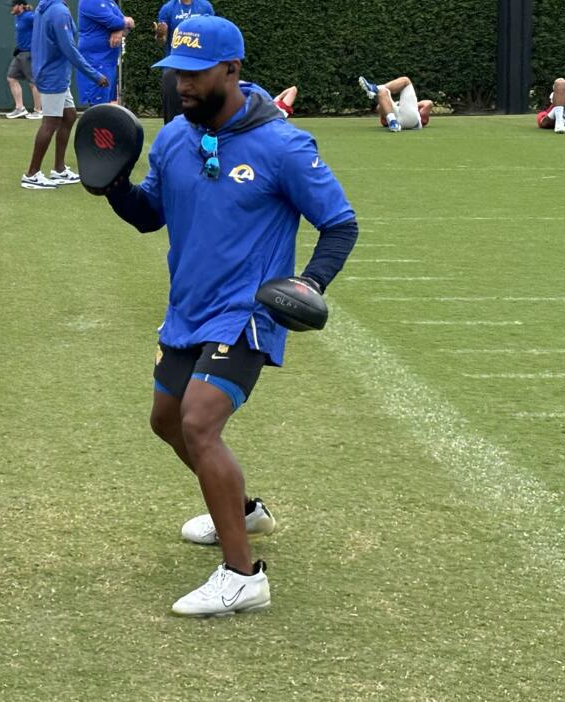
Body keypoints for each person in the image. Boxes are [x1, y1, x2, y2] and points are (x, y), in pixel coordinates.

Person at [90, 16, 358, 617]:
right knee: (165, 420)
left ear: (231, 70)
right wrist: (112, 188)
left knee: (199, 423)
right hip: (188, 306)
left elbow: (340, 224)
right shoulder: (173, 139)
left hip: (247, 311)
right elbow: (149, 215)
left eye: (195, 73)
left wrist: (307, 282)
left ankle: (243, 576)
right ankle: (241, 513)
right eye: (175, 73)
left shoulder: (283, 145)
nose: (180, 85)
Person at [19, 0, 106, 190]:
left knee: (69, 116)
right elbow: (70, 50)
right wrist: (95, 75)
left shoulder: (47, 8)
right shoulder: (58, 11)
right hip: (53, 76)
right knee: (50, 123)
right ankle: (31, 175)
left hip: (54, 73)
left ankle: (58, 169)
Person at [154, 0, 213, 124]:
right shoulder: (168, 8)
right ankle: (172, 138)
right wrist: (160, 35)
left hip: (199, 65)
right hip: (174, 66)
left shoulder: (205, 6)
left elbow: (212, 34)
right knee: (172, 114)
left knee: (203, 111)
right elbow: (161, 41)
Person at [77, 0, 132, 107]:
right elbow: (115, 22)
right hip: (96, 60)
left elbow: (124, 25)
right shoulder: (90, 1)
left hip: (108, 60)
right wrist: (127, 22)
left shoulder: (109, 1)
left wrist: (119, 30)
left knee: (106, 106)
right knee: (97, 107)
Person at [357, 75, 433, 132]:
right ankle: (393, 123)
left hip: (407, 118)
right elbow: (428, 103)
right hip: (410, 121)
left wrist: (398, 104)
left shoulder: (400, 104)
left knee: (384, 90)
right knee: (404, 81)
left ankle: (375, 88)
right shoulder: (397, 104)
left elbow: (428, 103)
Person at [6, 0, 41, 120]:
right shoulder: (18, 17)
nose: (11, 8)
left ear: (21, 6)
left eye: (13, 6)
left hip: (29, 53)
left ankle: (38, 111)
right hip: (20, 53)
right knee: (11, 78)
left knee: (33, 82)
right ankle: (20, 108)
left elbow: (42, 24)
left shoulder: (29, 17)